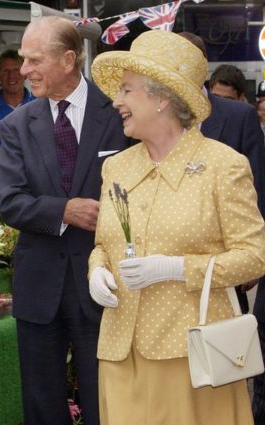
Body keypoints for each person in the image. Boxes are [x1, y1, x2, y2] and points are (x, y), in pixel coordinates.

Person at [88, 30, 265, 425]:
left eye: (127, 90)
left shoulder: (223, 165)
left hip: (193, 356)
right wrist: (96, 270)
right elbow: (103, 243)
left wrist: (176, 268)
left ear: (162, 97)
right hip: (120, 352)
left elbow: (254, 258)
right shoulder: (116, 167)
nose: (116, 101)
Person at [0, 16, 130, 425]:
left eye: (34, 60)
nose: (23, 71)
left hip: (104, 284)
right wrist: (64, 210)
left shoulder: (121, 116)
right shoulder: (16, 125)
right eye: (23, 59)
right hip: (39, 288)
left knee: (105, 398)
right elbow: (10, 202)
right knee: (41, 404)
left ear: (69, 59)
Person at [179, 32, 265, 314]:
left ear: (202, 67)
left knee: (225, 346)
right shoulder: (149, 115)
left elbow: (258, 187)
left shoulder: (238, 117)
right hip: (166, 260)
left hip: (224, 263)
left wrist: (254, 255)